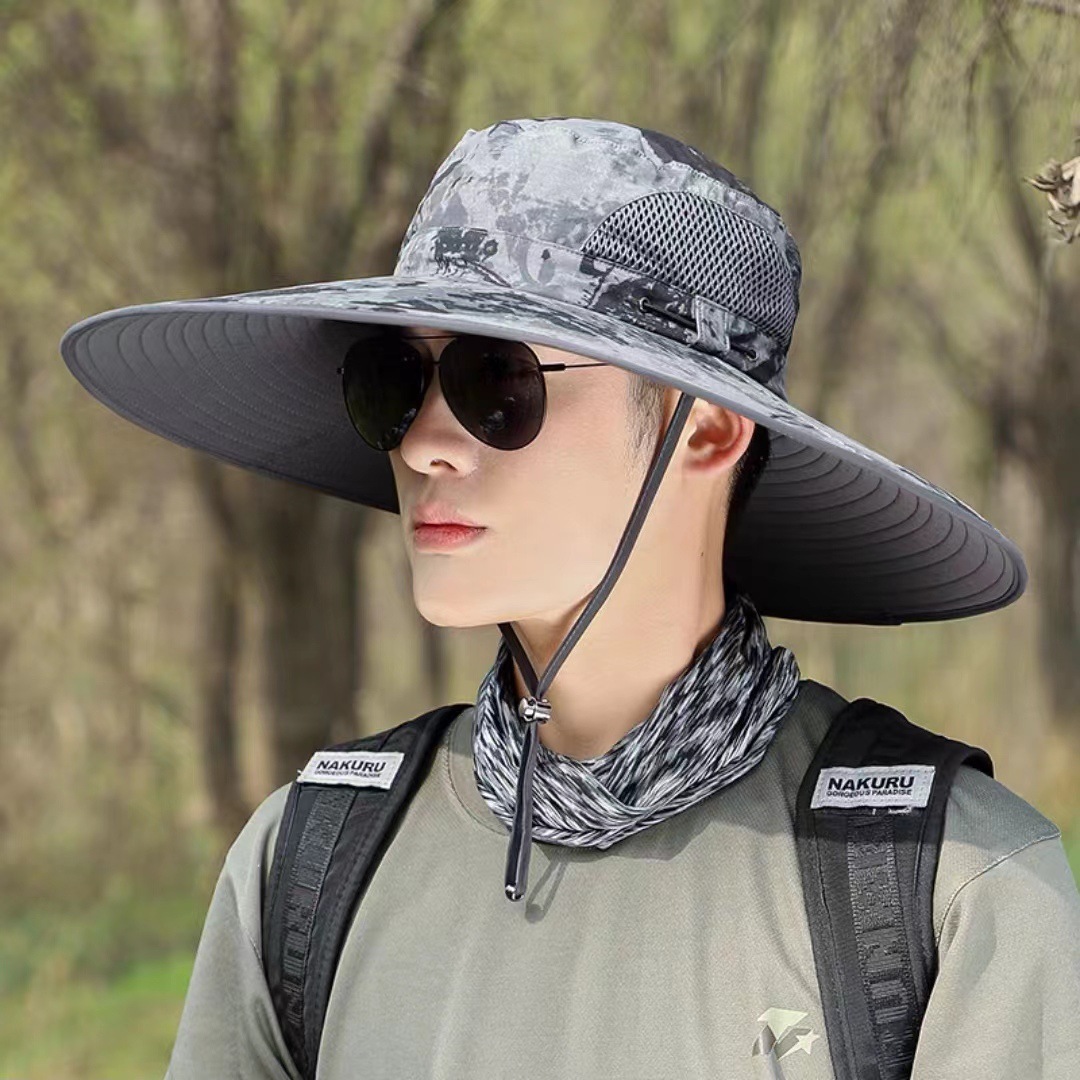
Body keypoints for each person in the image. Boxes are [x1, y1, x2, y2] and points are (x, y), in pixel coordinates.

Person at [58, 117, 1080, 1079]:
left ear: (706, 429)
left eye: (496, 380)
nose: (423, 444)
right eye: (397, 382)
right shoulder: (307, 866)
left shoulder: (946, 889)